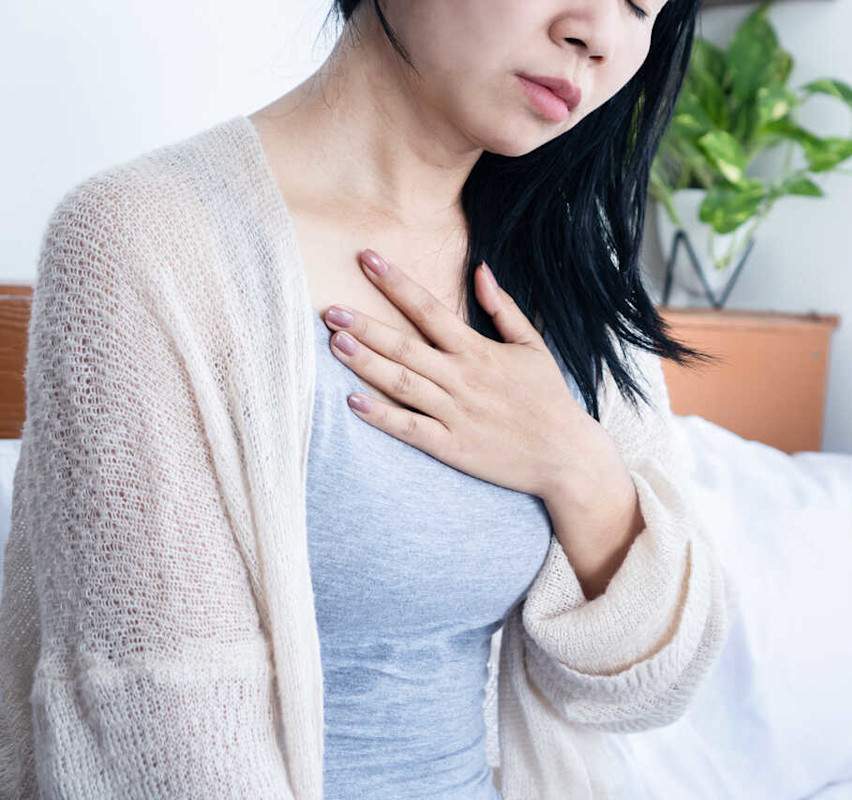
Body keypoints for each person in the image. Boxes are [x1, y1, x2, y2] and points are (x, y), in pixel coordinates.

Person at [0, 1, 730, 798]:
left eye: (641, 7)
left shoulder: (567, 264)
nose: (597, 34)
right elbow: (164, 739)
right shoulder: (142, 243)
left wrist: (575, 465)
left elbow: (657, 683)